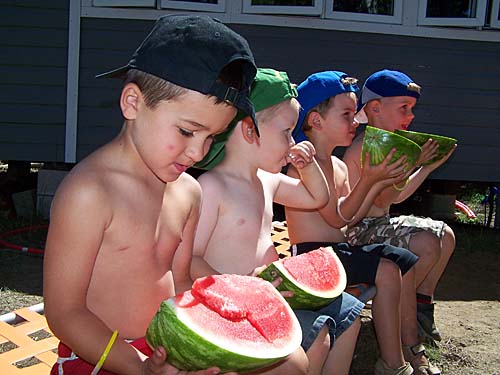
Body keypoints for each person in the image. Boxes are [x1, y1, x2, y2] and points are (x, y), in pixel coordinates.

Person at [43, 14, 259, 375]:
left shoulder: (188, 191)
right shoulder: (90, 193)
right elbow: (65, 314)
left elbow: (181, 279)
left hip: (165, 346)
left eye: (212, 137)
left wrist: (240, 302)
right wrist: (139, 367)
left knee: (292, 364)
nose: (198, 153)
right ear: (132, 103)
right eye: (188, 131)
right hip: (100, 354)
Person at [191, 68, 364, 375]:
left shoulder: (266, 180)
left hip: (274, 291)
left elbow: (316, 198)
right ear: (249, 131)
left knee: (351, 313)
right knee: (318, 335)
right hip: (234, 305)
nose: (292, 141)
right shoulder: (214, 188)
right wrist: (239, 289)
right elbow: (191, 260)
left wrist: (308, 167)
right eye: (286, 132)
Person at [286, 70, 440, 375]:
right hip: (311, 256)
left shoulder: (340, 165)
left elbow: (351, 218)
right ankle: (392, 364)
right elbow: (335, 215)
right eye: (346, 114)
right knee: (385, 269)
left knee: (403, 262)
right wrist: (369, 180)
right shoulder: (307, 166)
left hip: (337, 251)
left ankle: (406, 345)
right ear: (316, 121)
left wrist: (375, 182)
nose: (356, 121)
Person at [342, 69, 456, 348]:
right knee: (427, 242)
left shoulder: (390, 144)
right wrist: (411, 164)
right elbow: (383, 201)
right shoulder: (364, 148)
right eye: (404, 108)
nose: (411, 116)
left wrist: (425, 167)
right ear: (376, 108)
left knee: (447, 235)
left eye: (412, 108)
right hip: (358, 231)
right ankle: (405, 313)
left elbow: (396, 197)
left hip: (379, 224)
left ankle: (420, 306)